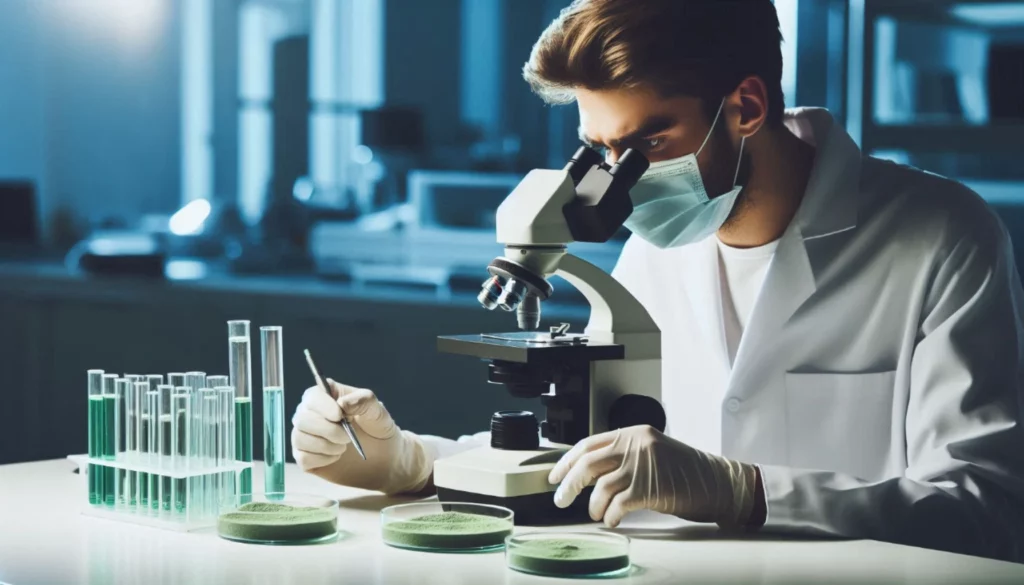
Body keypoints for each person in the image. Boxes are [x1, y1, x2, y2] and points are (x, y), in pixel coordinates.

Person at [290, 0, 1024, 561]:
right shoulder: (657, 246)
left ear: (746, 106)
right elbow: (587, 463)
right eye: (599, 151)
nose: (621, 180)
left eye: (647, 144)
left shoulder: (944, 237)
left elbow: (985, 507)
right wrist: (409, 461)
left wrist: (742, 491)